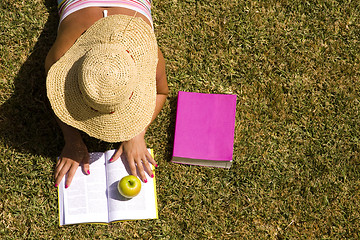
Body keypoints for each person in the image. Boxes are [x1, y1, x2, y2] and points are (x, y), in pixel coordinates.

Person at [45, 0, 169, 189]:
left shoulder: (150, 54)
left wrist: (136, 133)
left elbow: (162, 91)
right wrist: (71, 140)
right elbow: (54, 95)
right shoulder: (59, 59)